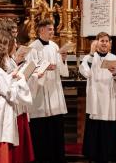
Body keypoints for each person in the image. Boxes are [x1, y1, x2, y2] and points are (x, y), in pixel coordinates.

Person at [0, 41, 33, 163]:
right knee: (1, 151)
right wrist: (22, 81)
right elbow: (9, 93)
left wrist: (11, 77)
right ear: (0, 56)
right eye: (5, 55)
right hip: (0, 116)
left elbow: (1, 87)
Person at [25, 18, 68, 163]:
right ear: (41, 30)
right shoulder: (33, 48)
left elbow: (62, 71)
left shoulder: (55, 46)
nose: (53, 32)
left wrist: (63, 59)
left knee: (55, 130)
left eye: (53, 29)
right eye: (50, 29)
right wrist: (43, 68)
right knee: (41, 133)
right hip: (40, 94)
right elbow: (30, 70)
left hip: (54, 91)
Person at [80, 32, 116, 163]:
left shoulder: (115, 59)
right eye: (102, 41)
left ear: (110, 44)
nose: (104, 43)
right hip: (95, 98)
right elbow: (85, 72)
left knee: (109, 125)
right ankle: (93, 155)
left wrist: (115, 73)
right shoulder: (89, 58)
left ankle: (109, 154)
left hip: (109, 98)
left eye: (107, 41)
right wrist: (90, 53)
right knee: (95, 125)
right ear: (97, 43)